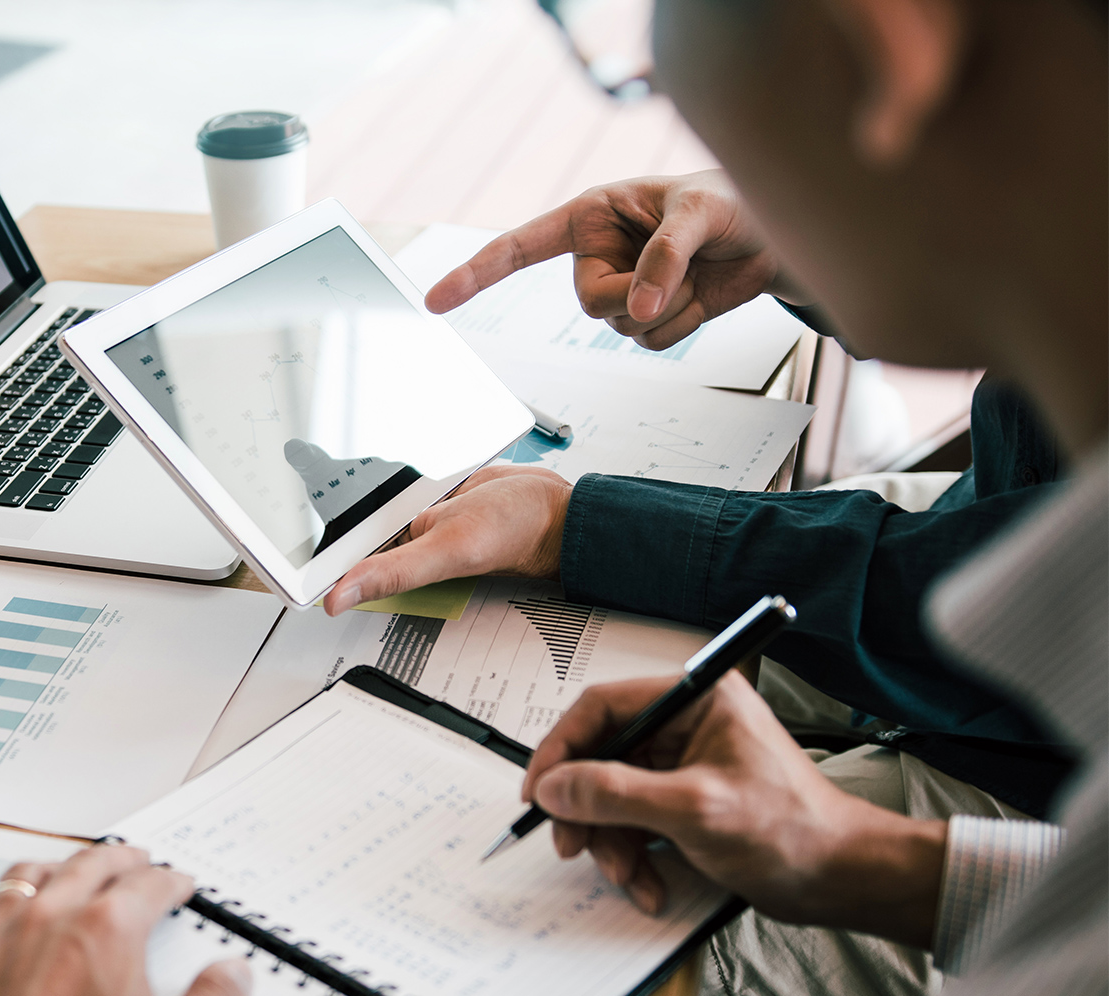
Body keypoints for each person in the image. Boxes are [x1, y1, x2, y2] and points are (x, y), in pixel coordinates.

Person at [0, 0, 1106, 992]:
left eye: (626, 54)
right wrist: (853, 859)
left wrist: (574, 521)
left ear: (878, 45)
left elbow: (964, 610)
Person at [324, 168, 1074, 820]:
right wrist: (790, 248)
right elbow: (1038, 300)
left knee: (619, 899)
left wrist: (569, 525)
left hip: (1047, 785)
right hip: (985, 511)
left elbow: (1011, 595)